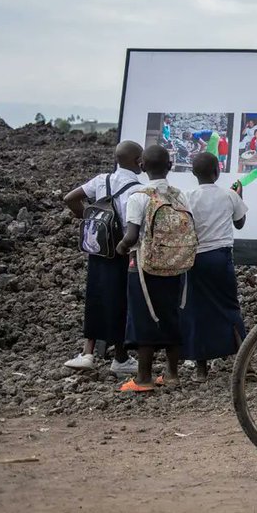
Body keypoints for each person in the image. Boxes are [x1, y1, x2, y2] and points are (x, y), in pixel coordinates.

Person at [61, 141, 143, 375]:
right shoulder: (136, 189)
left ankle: (87, 352)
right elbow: (132, 226)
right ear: (139, 162)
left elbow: (70, 198)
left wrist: (87, 220)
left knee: (95, 296)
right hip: (122, 252)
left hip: (98, 249)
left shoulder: (101, 180)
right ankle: (120, 357)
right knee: (120, 301)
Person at [116, 145, 189, 392]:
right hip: (177, 264)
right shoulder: (180, 195)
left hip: (145, 268)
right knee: (171, 315)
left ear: (142, 166)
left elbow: (132, 235)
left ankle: (143, 378)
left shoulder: (139, 196)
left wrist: (121, 248)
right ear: (170, 166)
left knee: (144, 318)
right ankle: (171, 374)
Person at [182, 152, 248, 382]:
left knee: (197, 310)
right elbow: (239, 223)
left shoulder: (188, 197)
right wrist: (240, 195)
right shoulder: (229, 195)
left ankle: (201, 370)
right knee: (230, 307)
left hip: (196, 259)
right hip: (221, 258)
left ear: (193, 173)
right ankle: (246, 365)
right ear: (218, 171)